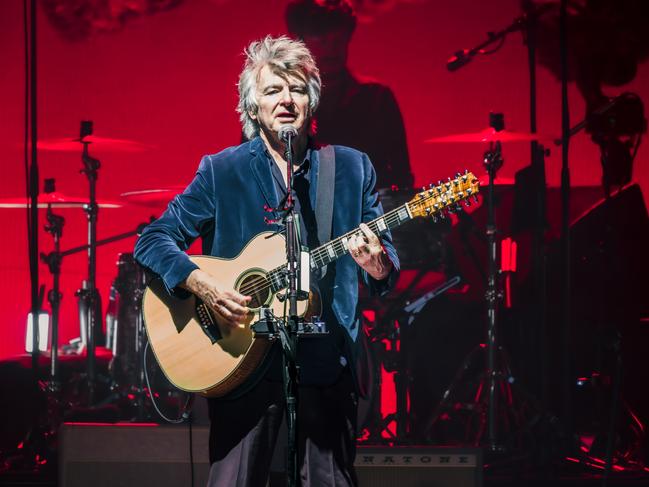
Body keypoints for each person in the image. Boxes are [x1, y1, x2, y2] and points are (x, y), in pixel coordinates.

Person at [134, 35, 399, 486]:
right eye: (272, 90)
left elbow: (386, 261)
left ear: (311, 102)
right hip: (236, 361)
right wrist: (202, 283)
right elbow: (154, 239)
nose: (285, 100)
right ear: (252, 106)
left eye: (296, 89)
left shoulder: (352, 168)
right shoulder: (222, 170)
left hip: (322, 361)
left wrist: (378, 264)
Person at [285, 0, 414, 190]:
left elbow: (402, 180)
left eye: (338, 40)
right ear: (299, 41)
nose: (331, 49)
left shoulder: (377, 99)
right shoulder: (278, 103)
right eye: (322, 40)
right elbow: (251, 175)